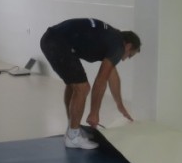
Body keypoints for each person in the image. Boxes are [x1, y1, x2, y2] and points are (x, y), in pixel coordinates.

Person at [39, 18, 141, 150]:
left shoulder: (112, 38)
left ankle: (72, 128)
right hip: (57, 43)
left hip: (52, 39)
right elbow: (101, 81)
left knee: (74, 85)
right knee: (82, 88)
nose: (126, 58)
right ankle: (73, 137)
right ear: (128, 46)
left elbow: (112, 76)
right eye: (130, 55)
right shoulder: (118, 47)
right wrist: (94, 113)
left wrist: (120, 105)